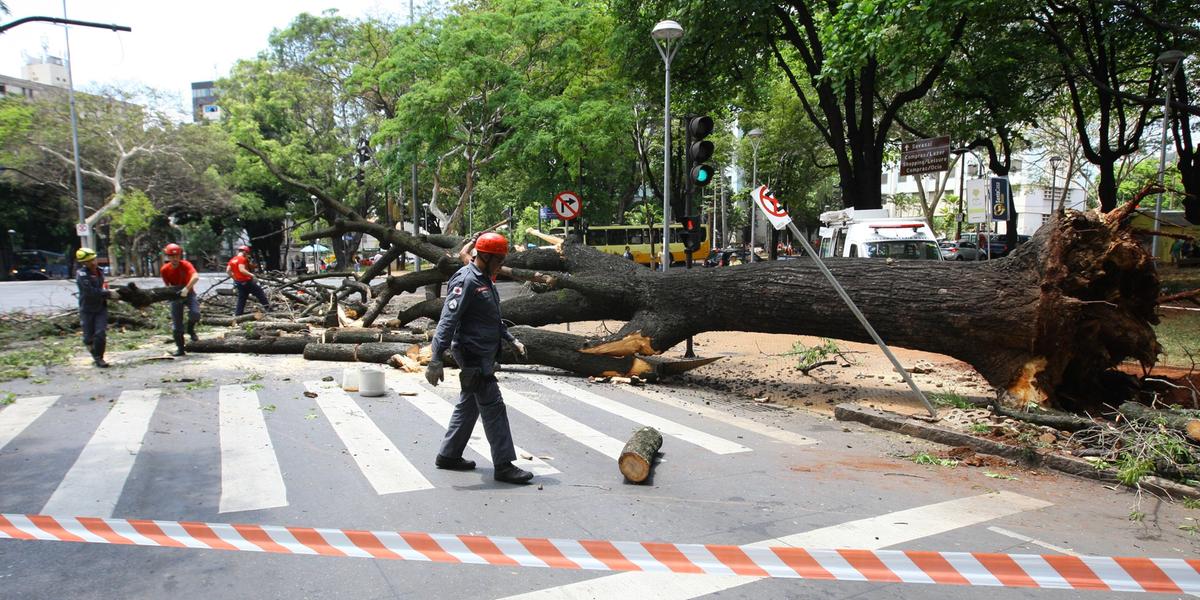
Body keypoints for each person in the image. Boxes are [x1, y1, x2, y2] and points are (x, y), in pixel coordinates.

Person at [425, 232, 533, 484]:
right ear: (483, 256)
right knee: (493, 406)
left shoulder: (484, 278)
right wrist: (435, 358)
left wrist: (511, 339)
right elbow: (447, 320)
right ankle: (504, 465)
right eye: (498, 259)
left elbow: (491, 319)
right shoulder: (467, 281)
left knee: (470, 403)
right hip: (472, 353)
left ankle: (448, 455)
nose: (500, 264)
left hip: (484, 350)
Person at [75, 247, 119, 368]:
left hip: (100, 308)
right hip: (87, 309)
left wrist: (109, 293)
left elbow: (102, 287)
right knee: (88, 338)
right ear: (84, 263)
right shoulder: (82, 275)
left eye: (94, 259)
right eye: (89, 261)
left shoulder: (100, 271)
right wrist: (108, 293)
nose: (93, 263)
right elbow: (90, 291)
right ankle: (94, 354)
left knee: (100, 333)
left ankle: (100, 358)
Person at [160, 243, 200, 356]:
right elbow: (167, 286)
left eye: (177, 256)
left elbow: (195, 277)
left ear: (180, 255)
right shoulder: (164, 269)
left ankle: (190, 329)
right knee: (177, 324)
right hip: (175, 295)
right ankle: (180, 348)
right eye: (172, 256)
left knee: (195, 314)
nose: (174, 258)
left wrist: (187, 289)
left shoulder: (186, 265)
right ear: (168, 257)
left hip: (189, 293)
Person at [226, 245, 272, 316]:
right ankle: (269, 309)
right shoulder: (242, 259)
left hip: (239, 282)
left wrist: (235, 278)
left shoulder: (232, 260)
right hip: (247, 281)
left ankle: (238, 314)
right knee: (260, 293)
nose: (247, 254)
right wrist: (252, 275)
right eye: (247, 253)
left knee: (242, 298)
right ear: (244, 252)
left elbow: (228, 270)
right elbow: (242, 270)